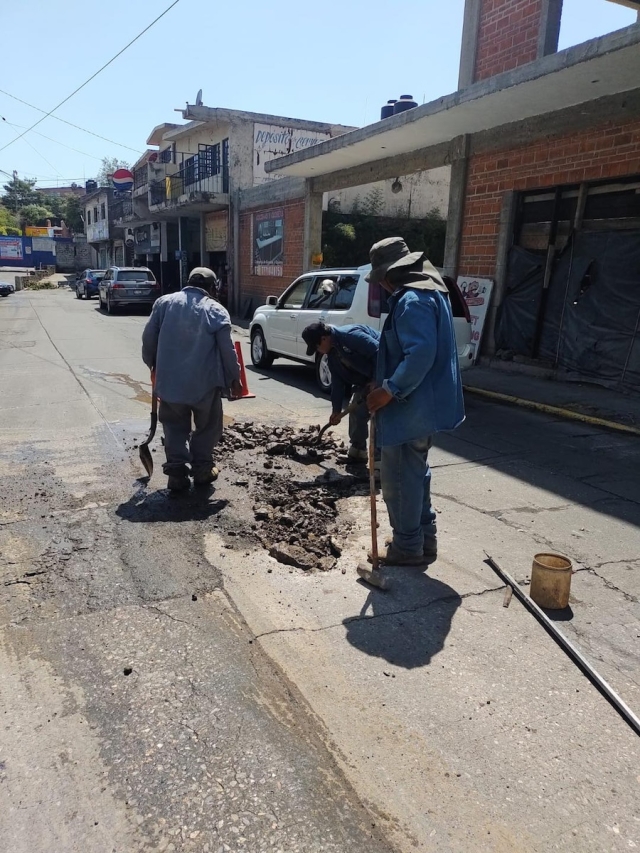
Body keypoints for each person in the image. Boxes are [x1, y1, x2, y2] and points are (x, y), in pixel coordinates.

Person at [365, 238, 465, 566]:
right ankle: (425, 539)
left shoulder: (411, 300)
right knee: (416, 473)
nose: (380, 284)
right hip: (424, 407)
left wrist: (388, 389)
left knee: (397, 478)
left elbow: (420, 353)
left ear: (389, 275)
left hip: (410, 409)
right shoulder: (430, 294)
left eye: (380, 278)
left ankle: (407, 546)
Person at [142, 267, 242, 492]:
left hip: (170, 383)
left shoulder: (164, 303)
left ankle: (177, 472)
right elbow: (228, 350)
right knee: (208, 426)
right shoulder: (216, 310)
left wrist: (152, 365)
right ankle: (203, 469)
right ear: (212, 287)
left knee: (174, 426)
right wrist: (234, 378)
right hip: (205, 385)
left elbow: (149, 339)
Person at [301, 322, 380, 463]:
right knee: (357, 411)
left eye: (317, 346)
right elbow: (337, 383)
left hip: (384, 372)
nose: (318, 351)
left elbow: (379, 352)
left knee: (380, 416)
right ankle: (358, 452)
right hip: (365, 380)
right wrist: (336, 410)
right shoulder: (332, 355)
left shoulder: (350, 336)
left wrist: (376, 380)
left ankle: (382, 464)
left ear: (324, 338)